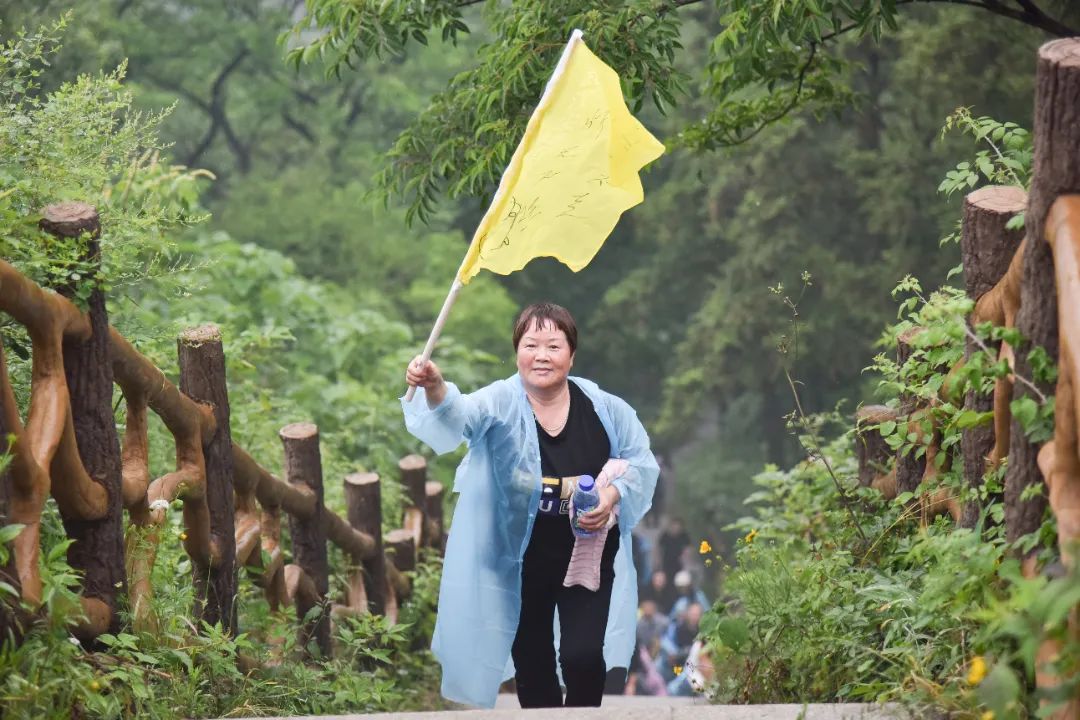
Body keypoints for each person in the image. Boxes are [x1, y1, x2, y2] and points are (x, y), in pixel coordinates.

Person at [403, 303, 659, 709]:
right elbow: (459, 416)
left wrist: (611, 496)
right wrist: (435, 386)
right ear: (517, 352)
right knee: (534, 664)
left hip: (586, 554)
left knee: (582, 657)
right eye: (531, 345)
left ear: (571, 356)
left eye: (554, 346)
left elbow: (640, 463)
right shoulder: (500, 401)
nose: (542, 356)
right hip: (518, 557)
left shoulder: (604, 408)